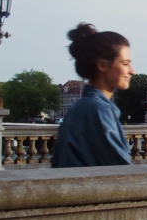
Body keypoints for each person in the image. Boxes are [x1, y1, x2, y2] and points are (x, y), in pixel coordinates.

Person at [51, 23, 135, 168]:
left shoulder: (84, 106)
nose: (132, 71)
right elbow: (121, 172)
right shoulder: (97, 110)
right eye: (125, 63)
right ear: (102, 65)